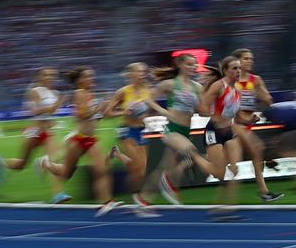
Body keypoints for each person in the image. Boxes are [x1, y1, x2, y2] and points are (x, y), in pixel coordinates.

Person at [141, 50, 237, 212]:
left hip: (186, 130)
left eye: (194, 65)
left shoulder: (197, 87)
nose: (193, 67)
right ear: (179, 65)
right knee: (190, 151)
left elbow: (202, 110)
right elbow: (148, 98)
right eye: (189, 64)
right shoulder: (170, 84)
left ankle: (144, 199)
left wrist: (217, 111)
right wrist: (164, 112)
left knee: (164, 167)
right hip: (171, 130)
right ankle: (170, 184)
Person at [39, 68, 121, 216]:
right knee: (66, 173)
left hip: (91, 140)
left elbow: (91, 117)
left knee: (102, 169)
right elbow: (82, 114)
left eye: (92, 76)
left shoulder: (89, 94)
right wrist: (99, 108)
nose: (92, 79)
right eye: (88, 77)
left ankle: (107, 202)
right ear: (80, 80)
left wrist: (102, 113)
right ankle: (45, 163)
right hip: (77, 140)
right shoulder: (79, 93)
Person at [198, 56, 249, 220]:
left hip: (229, 132)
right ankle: (193, 156)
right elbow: (202, 107)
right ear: (225, 71)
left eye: (239, 68)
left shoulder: (238, 91)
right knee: (219, 173)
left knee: (234, 169)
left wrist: (250, 120)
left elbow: (239, 116)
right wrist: (212, 114)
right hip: (213, 132)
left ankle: (228, 209)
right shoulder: (218, 86)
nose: (238, 71)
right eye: (234, 68)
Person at [105, 62, 159, 217]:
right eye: (139, 72)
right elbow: (108, 113)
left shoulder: (148, 90)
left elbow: (149, 111)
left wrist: (151, 116)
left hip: (142, 130)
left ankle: (117, 154)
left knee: (138, 170)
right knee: (140, 171)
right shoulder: (123, 92)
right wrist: (124, 111)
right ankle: (139, 202)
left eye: (144, 71)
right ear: (131, 75)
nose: (142, 74)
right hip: (127, 130)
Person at [230, 48, 283, 202]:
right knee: (258, 149)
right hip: (233, 124)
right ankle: (263, 191)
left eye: (251, 58)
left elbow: (267, 99)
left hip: (247, 125)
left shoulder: (256, 80)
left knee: (233, 160)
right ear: (237, 61)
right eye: (246, 58)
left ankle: (191, 160)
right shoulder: (232, 80)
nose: (250, 61)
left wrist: (265, 97)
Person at [4, 67, 63, 173]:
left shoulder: (54, 93)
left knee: (57, 156)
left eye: (52, 75)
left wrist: (56, 108)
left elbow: (51, 113)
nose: (49, 77)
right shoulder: (34, 91)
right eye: (45, 75)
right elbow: (34, 111)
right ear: (39, 77)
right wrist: (52, 108)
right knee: (21, 165)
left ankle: (45, 165)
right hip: (35, 131)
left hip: (47, 131)